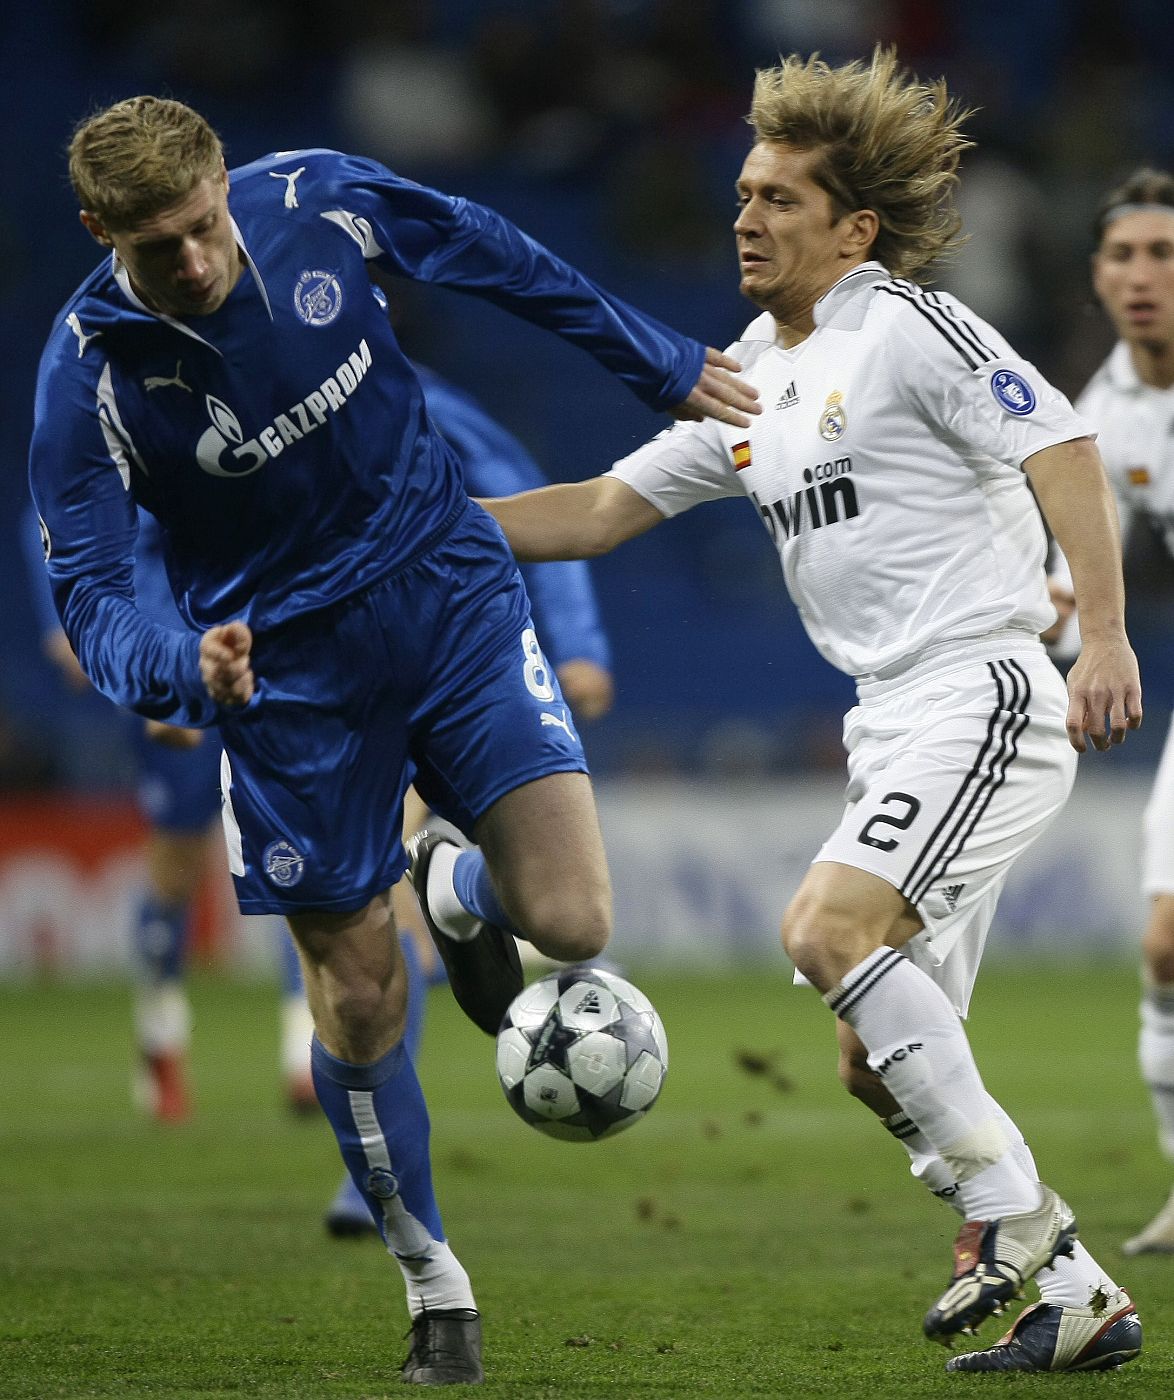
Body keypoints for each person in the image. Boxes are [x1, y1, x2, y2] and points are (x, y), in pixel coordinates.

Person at [28, 95, 757, 1388]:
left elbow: (488, 248)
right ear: (100, 231)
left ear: (223, 186)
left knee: (576, 921)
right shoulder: (85, 374)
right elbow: (89, 593)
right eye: (155, 247)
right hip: (287, 685)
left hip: (448, 593)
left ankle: (457, 886)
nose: (192, 263)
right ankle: (434, 1283)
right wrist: (185, 671)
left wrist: (651, 357)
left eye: (201, 228)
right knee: (360, 991)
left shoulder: (313, 199)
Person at [480, 49, 1145, 1375]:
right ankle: (1078, 1296)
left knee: (824, 927)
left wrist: (1105, 637)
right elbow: (603, 510)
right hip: (890, 720)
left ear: (853, 227)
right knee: (866, 1057)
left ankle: (1009, 1216)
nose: (745, 216)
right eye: (742, 192)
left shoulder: (904, 326)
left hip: (985, 692)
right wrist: (403, 531)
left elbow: (1059, 444)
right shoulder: (744, 374)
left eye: (781, 198)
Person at [319, 359, 616, 1237]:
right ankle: (378, 1174)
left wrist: (582, 641)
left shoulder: (414, 398)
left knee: (527, 917)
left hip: (462, 659)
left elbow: (521, 488)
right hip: (334, 677)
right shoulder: (234, 401)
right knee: (366, 935)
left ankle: (462, 895)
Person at [1047, 168, 1174, 1257]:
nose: (1141, 276)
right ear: (1095, 276)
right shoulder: (1101, 410)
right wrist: (1054, 623)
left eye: (1162, 255)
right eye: (1122, 257)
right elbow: (1068, 569)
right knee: (1169, 945)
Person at [19, 502, 233, 1122]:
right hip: (157, 655)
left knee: (301, 843)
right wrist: (63, 619)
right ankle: (160, 1031)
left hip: (252, 634)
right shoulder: (99, 419)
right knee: (178, 858)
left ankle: (306, 1051)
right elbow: (47, 508)